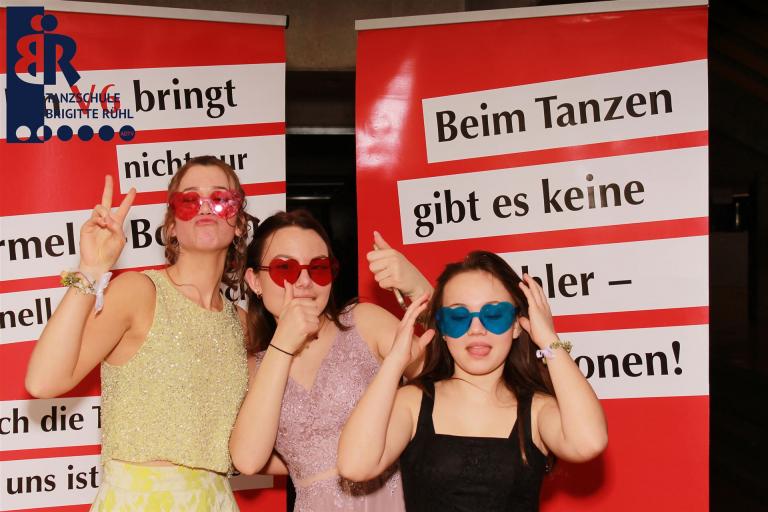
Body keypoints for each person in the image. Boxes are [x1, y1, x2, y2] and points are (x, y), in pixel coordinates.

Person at [25, 156, 251, 511]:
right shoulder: (140, 292)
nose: (206, 207)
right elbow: (43, 381)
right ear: (172, 226)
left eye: (221, 199)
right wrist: (90, 269)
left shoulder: (242, 324)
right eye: (189, 200)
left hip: (217, 502)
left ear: (238, 223)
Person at [338, 251, 608, 512]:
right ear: (443, 329)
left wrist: (548, 339)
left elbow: (588, 442)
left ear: (517, 325)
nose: (476, 329)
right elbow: (355, 465)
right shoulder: (412, 402)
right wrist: (395, 362)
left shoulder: (537, 409)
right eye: (458, 317)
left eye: (494, 315)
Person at [229, 210, 432, 511]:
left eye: (319, 268)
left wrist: (422, 292)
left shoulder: (363, 322)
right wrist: (283, 344)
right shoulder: (254, 367)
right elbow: (248, 459)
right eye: (285, 268)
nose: (305, 281)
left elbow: (448, 375)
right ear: (254, 281)